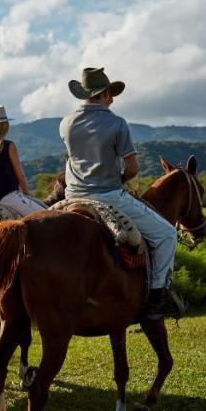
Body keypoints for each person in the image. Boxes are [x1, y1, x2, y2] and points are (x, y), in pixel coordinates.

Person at [60, 67, 180, 320]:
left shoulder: (66, 123)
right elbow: (133, 168)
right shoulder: (117, 123)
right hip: (108, 195)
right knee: (167, 234)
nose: (112, 99)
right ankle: (158, 295)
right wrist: (119, 177)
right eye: (110, 94)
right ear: (103, 94)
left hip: (71, 196)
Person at [0, 106, 45, 217]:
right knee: (45, 216)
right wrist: (26, 194)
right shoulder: (8, 146)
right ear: (4, 125)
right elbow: (20, 177)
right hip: (8, 197)